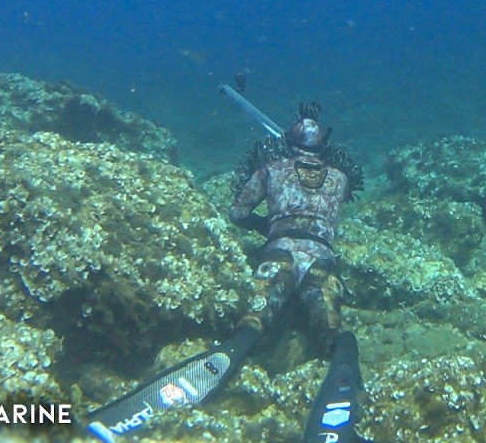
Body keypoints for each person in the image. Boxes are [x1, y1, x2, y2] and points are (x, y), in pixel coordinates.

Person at [85, 102, 366, 443]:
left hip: (278, 253)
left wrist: (269, 225)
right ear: (324, 144)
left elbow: (237, 212)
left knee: (251, 326)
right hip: (323, 260)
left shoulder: (272, 168)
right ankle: (342, 360)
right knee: (333, 333)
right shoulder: (341, 178)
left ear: (289, 139)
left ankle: (230, 353)